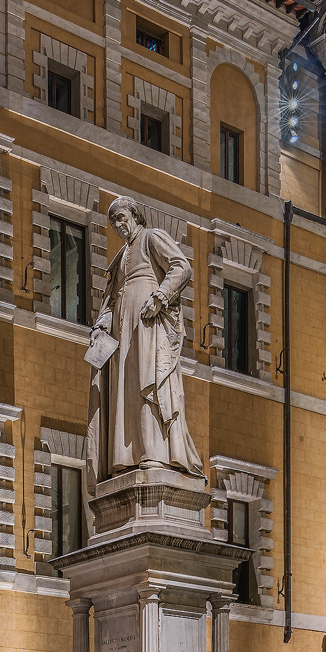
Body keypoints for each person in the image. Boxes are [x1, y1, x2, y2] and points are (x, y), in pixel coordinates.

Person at [85, 196, 203, 482]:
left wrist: (160, 296)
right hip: (120, 336)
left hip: (146, 326)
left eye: (122, 217)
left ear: (136, 215)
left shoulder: (152, 238)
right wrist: (101, 326)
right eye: (114, 221)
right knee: (123, 393)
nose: (118, 224)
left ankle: (154, 452)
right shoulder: (119, 259)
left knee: (145, 384)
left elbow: (181, 267)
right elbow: (110, 302)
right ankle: (126, 457)